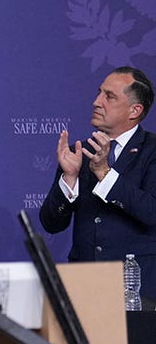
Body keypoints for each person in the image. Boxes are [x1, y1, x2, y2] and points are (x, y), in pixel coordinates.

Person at [39, 66, 156, 301]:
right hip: (86, 288)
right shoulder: (79, 152)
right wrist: (68, 179)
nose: (96, 102)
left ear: (135, 110)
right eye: (99, 93)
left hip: (139, 293)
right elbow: (51, 223)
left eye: (109, 96)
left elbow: (151, 212)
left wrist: (104, 172)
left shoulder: (152, 150)